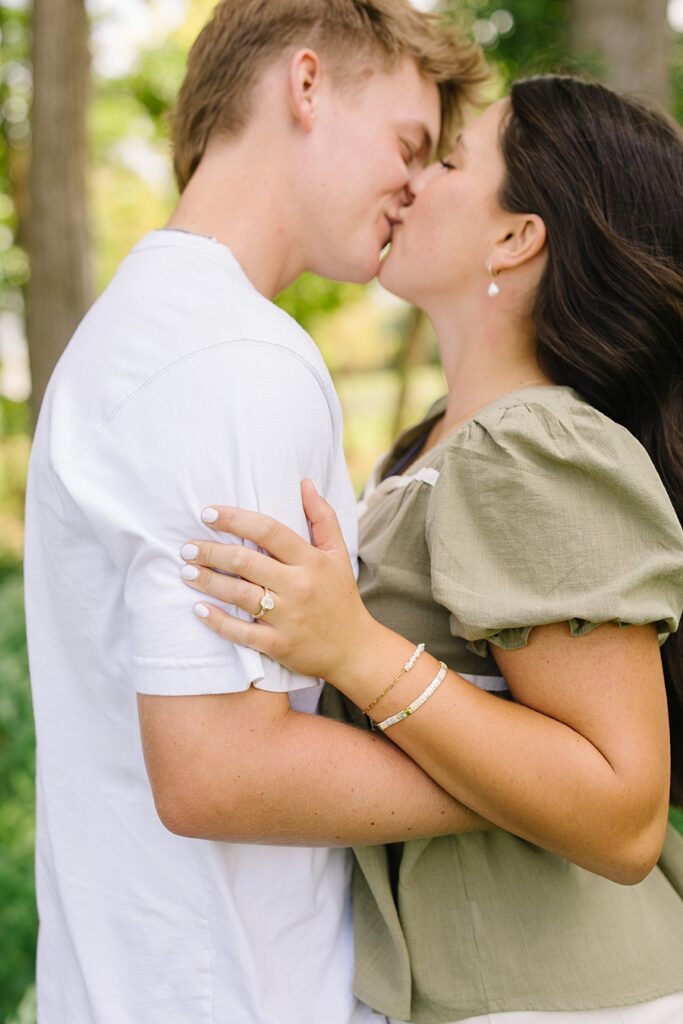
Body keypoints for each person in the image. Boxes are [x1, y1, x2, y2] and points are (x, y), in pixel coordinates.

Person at [179, 76, 683, 1023]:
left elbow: (623, 816)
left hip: (576, 1001)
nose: (411, 179)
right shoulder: (430, 447)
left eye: (450, 161)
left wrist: (356, 652)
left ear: (514, 237)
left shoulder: (535, 448)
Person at [23, 2, 488, 1021]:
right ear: (307, 85)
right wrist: (519, 778)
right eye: (409, 143)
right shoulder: (228, 355)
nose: (417, 184)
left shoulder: (153, 331)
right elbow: (218, 770)